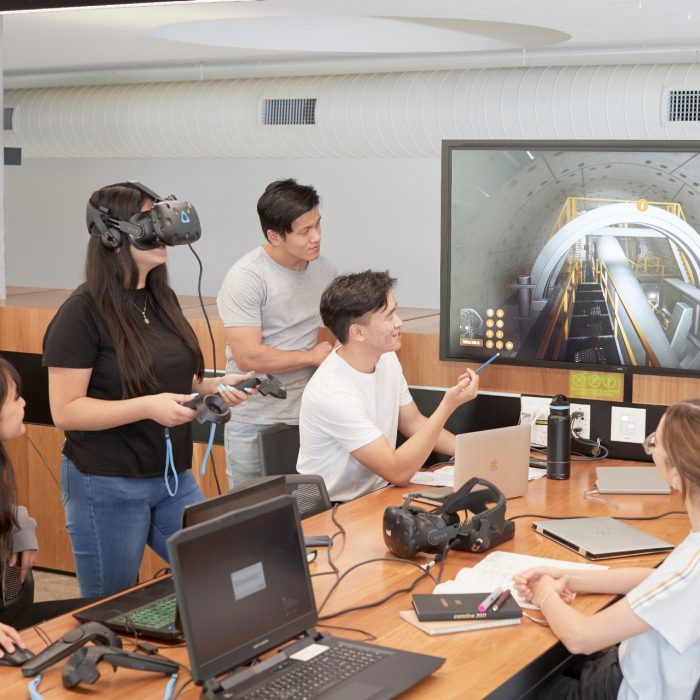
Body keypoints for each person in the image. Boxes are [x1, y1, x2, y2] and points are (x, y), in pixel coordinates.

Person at [42, 182, 250, 598]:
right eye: (148, 219)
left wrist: (216, 385)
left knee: (220, 568)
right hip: (107, 481)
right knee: (111, 603)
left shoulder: (161, 298)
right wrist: (146, 408)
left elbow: (172, 379)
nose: (162, 231)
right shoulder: (81, 313)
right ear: (112, 233)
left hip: (172, 475)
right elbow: (65, 410)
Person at [514, 399, 700, 699]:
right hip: (629, 665)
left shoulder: (692, 568)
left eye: (654, 444)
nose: (650, 449)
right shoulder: (692, 552)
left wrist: (545, 592)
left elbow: (581, 638)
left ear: (676, 475)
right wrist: (571, 577)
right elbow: (660, 581)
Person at [297, 270, 479, 502]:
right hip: (334, 509)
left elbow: (413, 422)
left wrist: (474, 453)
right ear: (358, 332)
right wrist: (447, 406)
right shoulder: (331, 392)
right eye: (389, 316)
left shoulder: (386, 357)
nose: (399, 322)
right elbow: (398, 472)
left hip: (378, 493)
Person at [216, 178, 336, 488]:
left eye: (318, 224)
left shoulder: (323, 269)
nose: (317, 237)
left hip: (310, 417)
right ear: (274, 235)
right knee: (253, 519)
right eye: (304, 231)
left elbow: (331, 331)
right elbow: (248, 355)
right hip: (256, 420)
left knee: (310, 516)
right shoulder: (247, 278)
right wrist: (311, 356)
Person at [0, 357, 88, 657]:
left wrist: (17, 520)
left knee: (105, 612)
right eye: (15, 397)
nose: (24, 403)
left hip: (9, 616)